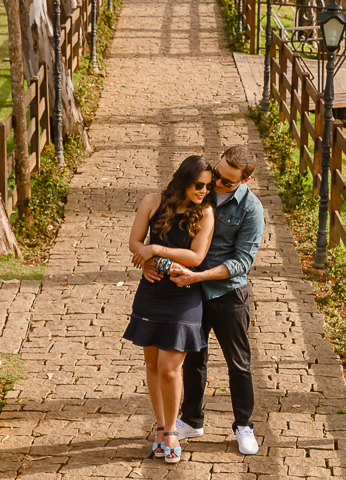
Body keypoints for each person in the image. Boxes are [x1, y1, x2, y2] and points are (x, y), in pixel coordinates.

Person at [148, 146, 265, 456]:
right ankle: (192, 420)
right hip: (190, 293)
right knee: (193, 359)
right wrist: (152, 260)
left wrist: (199, 276)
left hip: (228, 294)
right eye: (217, 174)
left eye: (227, 181)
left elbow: (242, 262)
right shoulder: (201, 191)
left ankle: (244, 425)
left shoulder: (251, 210)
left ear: (245, 180)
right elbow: (167, 230)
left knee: (238, 362)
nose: (216, 184)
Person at [124, 155, 216, 464]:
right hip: (150, 291)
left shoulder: (205, 213)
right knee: (151, 365)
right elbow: (134, 242)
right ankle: (162, 429)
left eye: (208, 186)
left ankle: (174, 431)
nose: (204, 191)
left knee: (169, 367)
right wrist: (150, 261)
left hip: (183, 295)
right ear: (183, 179)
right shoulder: (152, 201)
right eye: (198, 185)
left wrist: (157, 250)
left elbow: (196, 257)